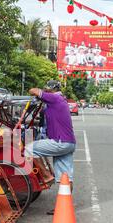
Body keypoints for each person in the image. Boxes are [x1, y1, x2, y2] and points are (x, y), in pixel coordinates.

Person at [26, 80, 76, 214]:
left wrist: (40, 93)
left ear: (51, 89)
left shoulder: (54, 97)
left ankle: (47, 176)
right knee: (65, 177)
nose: (45, 91)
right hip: (69, 143)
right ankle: (64, 207)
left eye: (47, 89)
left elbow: (33, 90)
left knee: (29, 149)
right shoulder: (60, 100)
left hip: (59, 142)